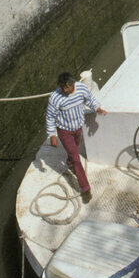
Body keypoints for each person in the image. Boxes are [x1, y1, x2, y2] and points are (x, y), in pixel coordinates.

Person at [46, 72, 107, 203]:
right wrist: (52, 135)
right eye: (62, 87)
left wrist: (98, 108)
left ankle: (70, 163)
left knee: (74, 151)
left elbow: (90, 99)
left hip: (78, 127)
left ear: (73, 84)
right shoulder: (55, 97)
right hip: (64, 131)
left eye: (67, 87)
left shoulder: (82, 89)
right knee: (76, 157)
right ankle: (85, 188)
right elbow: (50, 117)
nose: (64, 90)